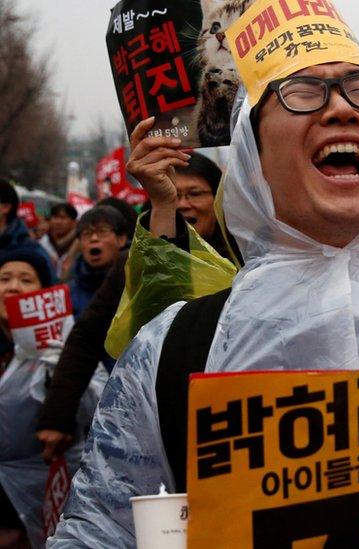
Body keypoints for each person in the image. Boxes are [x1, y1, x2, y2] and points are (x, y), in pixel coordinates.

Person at [50, 27, 359, 546]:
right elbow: (101, 528)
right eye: (302, 91)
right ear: (250, 155)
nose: (343, 109)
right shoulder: (173, 351)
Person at [36, 153, 233, 467]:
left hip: (232, 415)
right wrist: (56, 416)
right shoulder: (135, 262)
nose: (182, 204)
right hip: (153, 417)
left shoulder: (249, 253)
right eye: (170, 193)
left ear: (220, 197)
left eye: (194, 193)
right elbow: (88, 336)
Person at [0, 248, 105, 549]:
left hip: (50, 489)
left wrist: (64, 375)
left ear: (42, 294)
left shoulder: (66, 344)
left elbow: (98, 407)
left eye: (25, 280)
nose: (13, 287)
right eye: (4, 279)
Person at [67, 207, 129, 318]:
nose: (94, 238)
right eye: (87, 233)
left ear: (121, 239)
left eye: (102, 231)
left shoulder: (135, 284)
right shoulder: (67, 294)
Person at [38, 204, 78, 268]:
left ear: (74, 222)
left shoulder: (79, 243)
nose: (58, 222)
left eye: (63, 218)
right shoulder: (43, 242)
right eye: (55, 217)